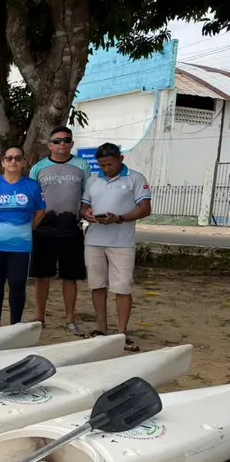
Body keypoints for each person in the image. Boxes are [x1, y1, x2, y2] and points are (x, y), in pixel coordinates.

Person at [81, 142, 151, 351]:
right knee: (97, 284)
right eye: (102, 165)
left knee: (122, 287)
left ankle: (121, 332)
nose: (106, 169)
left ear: (121, 159)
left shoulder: (135, 179)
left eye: (109, 164)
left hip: (122, 242)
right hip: (94, 240)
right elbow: (84, 206)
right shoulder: (93, 180)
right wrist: (86, 214)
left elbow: (145, 208)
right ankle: (101, 328)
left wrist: (120, 218)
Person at [29, 126, 93, 336]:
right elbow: (33, 199)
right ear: (50, 145)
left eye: (66, 140)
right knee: (42, 276)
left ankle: (70, 319)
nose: (61, 144)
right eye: (57, 141)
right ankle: (39, 317)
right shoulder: (38, 168)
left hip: (71, 230)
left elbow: (88, 197)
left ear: (72, 144)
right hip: (43, 230)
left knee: (70, 277)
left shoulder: (82, 166)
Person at [0, 146, 46, 326]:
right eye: (9, 158)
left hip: (20, 245)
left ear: (23, 162)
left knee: (17, 283)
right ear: (3, 162)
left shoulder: (32, 186)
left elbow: (40, 211)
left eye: (17, 158)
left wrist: (27, 227)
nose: (13, 161)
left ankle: (15, 325)